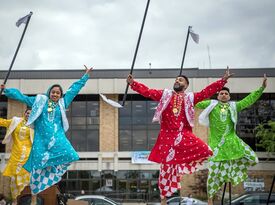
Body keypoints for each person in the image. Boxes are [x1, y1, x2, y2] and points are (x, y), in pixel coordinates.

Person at [127, 68, 233, 204]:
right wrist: (133, 83)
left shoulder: (190, 97)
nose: (177, 80)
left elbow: (206, 92)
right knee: (165, 169)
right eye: (176, 79)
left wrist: (222, 81)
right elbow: (148, 92)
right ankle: (164, 200)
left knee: (206, 150)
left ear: (186, 85)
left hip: (183, 134)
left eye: (180, 79)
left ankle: (212, 180)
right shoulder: (165, 94)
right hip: (167, 137)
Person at [2, 65, 93, 204]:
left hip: (57, 138)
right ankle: (34, 196)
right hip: (41, 141)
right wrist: (6, 91)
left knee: (71, 154)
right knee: (37, 167)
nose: (55, 94)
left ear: (61, 95)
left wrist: (85, 76)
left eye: (58, 93)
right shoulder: (40, 102)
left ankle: (51, 177)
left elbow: (74, 89)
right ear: (49, 92)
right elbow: (22, 97)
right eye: (53, 92)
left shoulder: (63, 103)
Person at [196, 74, 267, 205]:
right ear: (218, 96)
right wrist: (184, 96)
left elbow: (248, 100)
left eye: (226, 94)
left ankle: (233, 175)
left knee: (252, 157)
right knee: (213, 174)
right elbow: (197, 100)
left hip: (232, 142)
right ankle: (210, 200)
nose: (223, 95)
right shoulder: (211, 104)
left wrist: (261, 88)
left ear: (229, 96)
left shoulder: (234, 106)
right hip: (216, 146)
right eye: (221, 93)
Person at [1, 108, 33, 204]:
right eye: (27, 113)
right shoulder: (16, 121)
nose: (28, 115)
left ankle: (33, 202)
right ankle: (14, 202)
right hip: (16, 154)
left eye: (31, 114)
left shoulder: (35, 125)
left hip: (28, 155)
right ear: (24, 113)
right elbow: (3, 122)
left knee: (30, 179)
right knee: (13, 179)